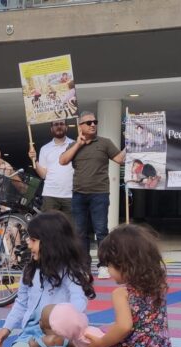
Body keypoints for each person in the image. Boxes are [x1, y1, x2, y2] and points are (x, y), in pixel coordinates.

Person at [77, 224, 178, 347]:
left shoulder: (122, 293)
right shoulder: (159, 288)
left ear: (124, 265)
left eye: (109, 265)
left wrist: (101, 345)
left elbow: (124, 327)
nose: (108, 270)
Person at [0, 211, 95, 347]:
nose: (29, 245)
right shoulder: (30, 270)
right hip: (32, 333)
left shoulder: (71, 271)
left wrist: (65, 324)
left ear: (50, 243)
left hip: (62, 335)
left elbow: (79, 300)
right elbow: (21, 303)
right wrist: (7, 328)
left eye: (33, 240)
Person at [59, 111, 126, 279]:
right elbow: (63, 161)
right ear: (80, 126)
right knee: (80, 233)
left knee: (101, 231)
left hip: (99, 194)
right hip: (79, 194)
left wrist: (131, 143)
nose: (93, 125)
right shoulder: (73, 145)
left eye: (95, 122)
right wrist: (78, 144)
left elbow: (120, 159)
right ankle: (84, 266)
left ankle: (104, 265)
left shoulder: (104, 142)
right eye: (88, 123)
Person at [29, 120, 74, 220]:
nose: (59, 126)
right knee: (49, 227)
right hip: (50, 195)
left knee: (71, 227)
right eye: (56, 124)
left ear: (66, 127)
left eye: (61, 124)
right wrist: (34, 160)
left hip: (71, 195)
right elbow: (43, 175)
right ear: (51, 129)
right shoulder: (45, 149)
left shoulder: (75, 145)